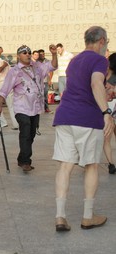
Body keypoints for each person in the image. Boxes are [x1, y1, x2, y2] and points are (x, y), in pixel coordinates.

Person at [52, 26, 114, 231]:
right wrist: (106, 113)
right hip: (87, 118)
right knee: (91, 165)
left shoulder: (74, 61)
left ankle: (60, 216)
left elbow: (80, 86)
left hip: (64, 115)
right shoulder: (100, 60)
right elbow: (96, 84)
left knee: (65, 166)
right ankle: (88, 216)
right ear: (102, 40)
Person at [0, 44, 57, 172]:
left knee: (31, 134)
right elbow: (4, 90)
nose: (28, 54)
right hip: (21, 108)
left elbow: (53, 66)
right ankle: (25, 162)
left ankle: (21, 158)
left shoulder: (37, 67)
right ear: (18, 56)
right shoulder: (14, 71)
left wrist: (54, 54)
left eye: (29, 52)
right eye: (24, 52)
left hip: (35, 108)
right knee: (26, 131)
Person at [103, 53, 116, 174]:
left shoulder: (102, 77)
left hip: (104, 110)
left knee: (106, 139)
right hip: (110, 109)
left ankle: (111, 163)